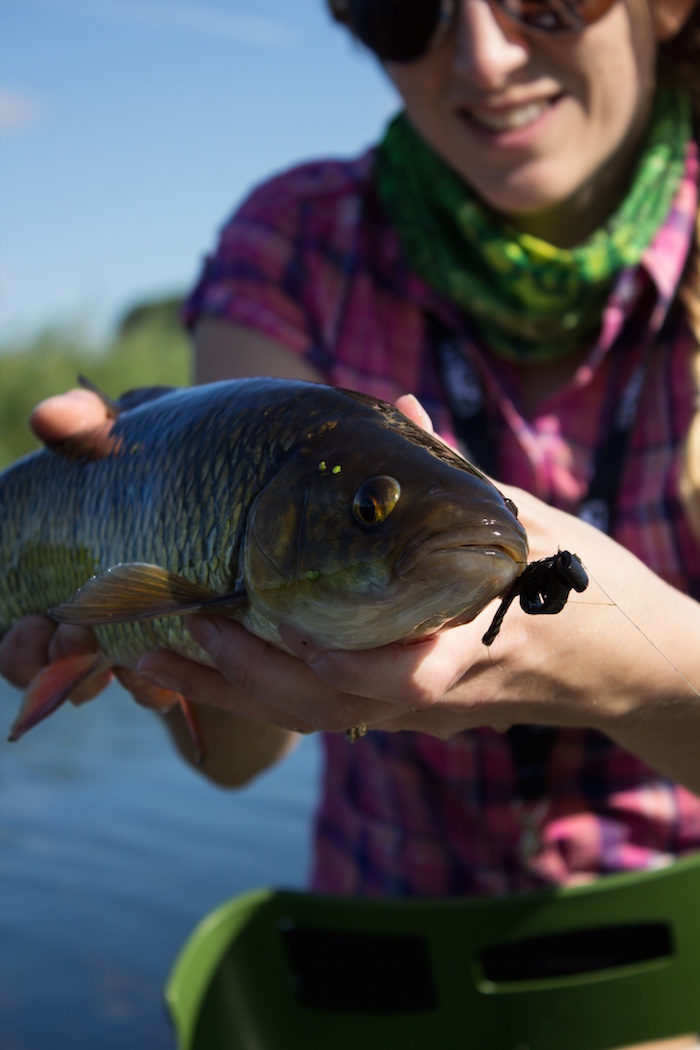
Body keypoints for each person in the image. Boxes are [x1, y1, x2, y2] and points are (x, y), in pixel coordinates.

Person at [3, 0, 700, 897]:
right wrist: (168, 637)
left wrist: (624, 667)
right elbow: (239, 760)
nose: (485, 58)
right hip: (379, 959)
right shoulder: (298, 237)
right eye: (410, 12)